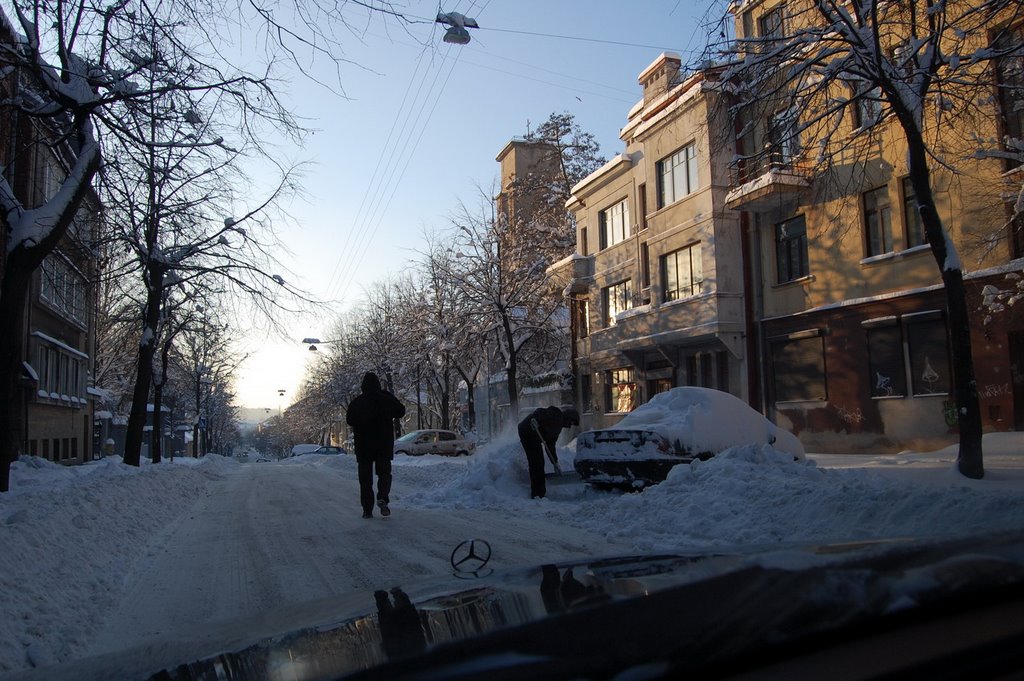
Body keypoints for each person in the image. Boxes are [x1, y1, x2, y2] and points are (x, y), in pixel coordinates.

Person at [346, 371, 406, 518]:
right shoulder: (385, 399)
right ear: (378, 384)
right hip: (383, 445)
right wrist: (388, 397)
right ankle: (383, 497)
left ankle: (367, 510)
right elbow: (401, 411)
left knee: (365, 479)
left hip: (364, 446)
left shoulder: (357, 402)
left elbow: (349, 420)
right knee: (384, 474)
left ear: (363, 386)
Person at [517, 406, 579, 499]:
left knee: (539, 463)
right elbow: (540, 411)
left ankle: (539, 493)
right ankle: (537, 494)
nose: (570, 425)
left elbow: (550, 446)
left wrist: (555, 462)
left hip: (533, 435)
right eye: (571, 422)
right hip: (528, 430)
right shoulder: (556, 415)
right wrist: (535, 419)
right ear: (569, 417)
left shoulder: (558, 427)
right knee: (536, 463)